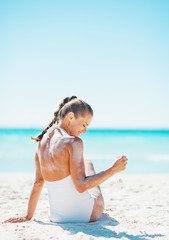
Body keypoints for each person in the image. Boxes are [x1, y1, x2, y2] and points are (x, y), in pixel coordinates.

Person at [4, 96, 128, 223]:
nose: (84, 131)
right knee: (87, 163)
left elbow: (38, 182)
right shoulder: (73, 142)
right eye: (84, 125)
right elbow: (81, 186)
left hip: (57, 217)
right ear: (70, 117)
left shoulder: (41, 144)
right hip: (86, 214)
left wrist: (27, 216)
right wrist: (113, 170)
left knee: (81, 167)